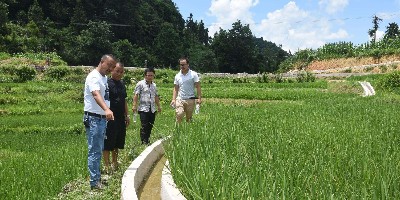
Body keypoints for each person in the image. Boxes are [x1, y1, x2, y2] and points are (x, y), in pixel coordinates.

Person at [83, 54, 116, 190]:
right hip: (94, 118)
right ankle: (94, 182)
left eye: (112, 66)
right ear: (101, 62)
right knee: (95, 151)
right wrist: (107, 109)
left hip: (101, 119)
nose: (110, 68)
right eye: (109, 65)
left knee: (98, 149)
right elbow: (96, 94)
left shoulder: (104, 77)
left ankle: (96, 178)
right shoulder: (94, 77)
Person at [103, 62, 130, 174]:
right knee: (108, 141)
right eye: (117, 71)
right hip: (110, 117)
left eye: (121, 71)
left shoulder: (122, 84)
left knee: (117, 141)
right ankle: (107, 165)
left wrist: (126, 115)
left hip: (120, 117)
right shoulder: (107, 84)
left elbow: (124, 101)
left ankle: (115, 162)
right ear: (112, 70)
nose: (119, 73)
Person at [132, 68, 162, 145]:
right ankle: (143, 141)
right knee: (144, 125)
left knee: (150, 125)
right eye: (148, 75)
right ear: (145, 76)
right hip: (143, 108)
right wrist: (134, 105)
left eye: (151, 75)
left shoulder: (154, 85)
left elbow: (156, 96)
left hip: (152, 109)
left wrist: (159, 106)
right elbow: (136, 95)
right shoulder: (140, 84)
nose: (150, 77)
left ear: (154, 76)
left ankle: (147, 140)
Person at [170, 57, 202, 123]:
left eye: (184, 64)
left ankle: (186, 131)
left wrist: (199, 98)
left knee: (189, 118)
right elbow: (176, 88)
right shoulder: (177, 75)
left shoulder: (194, 74)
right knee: (179, 114)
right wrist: (173, 99)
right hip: (180, 99)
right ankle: (178, 130)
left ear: (188, 64)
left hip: (190, 99)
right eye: (181, 65)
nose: (182, 66)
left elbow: (198, 86)